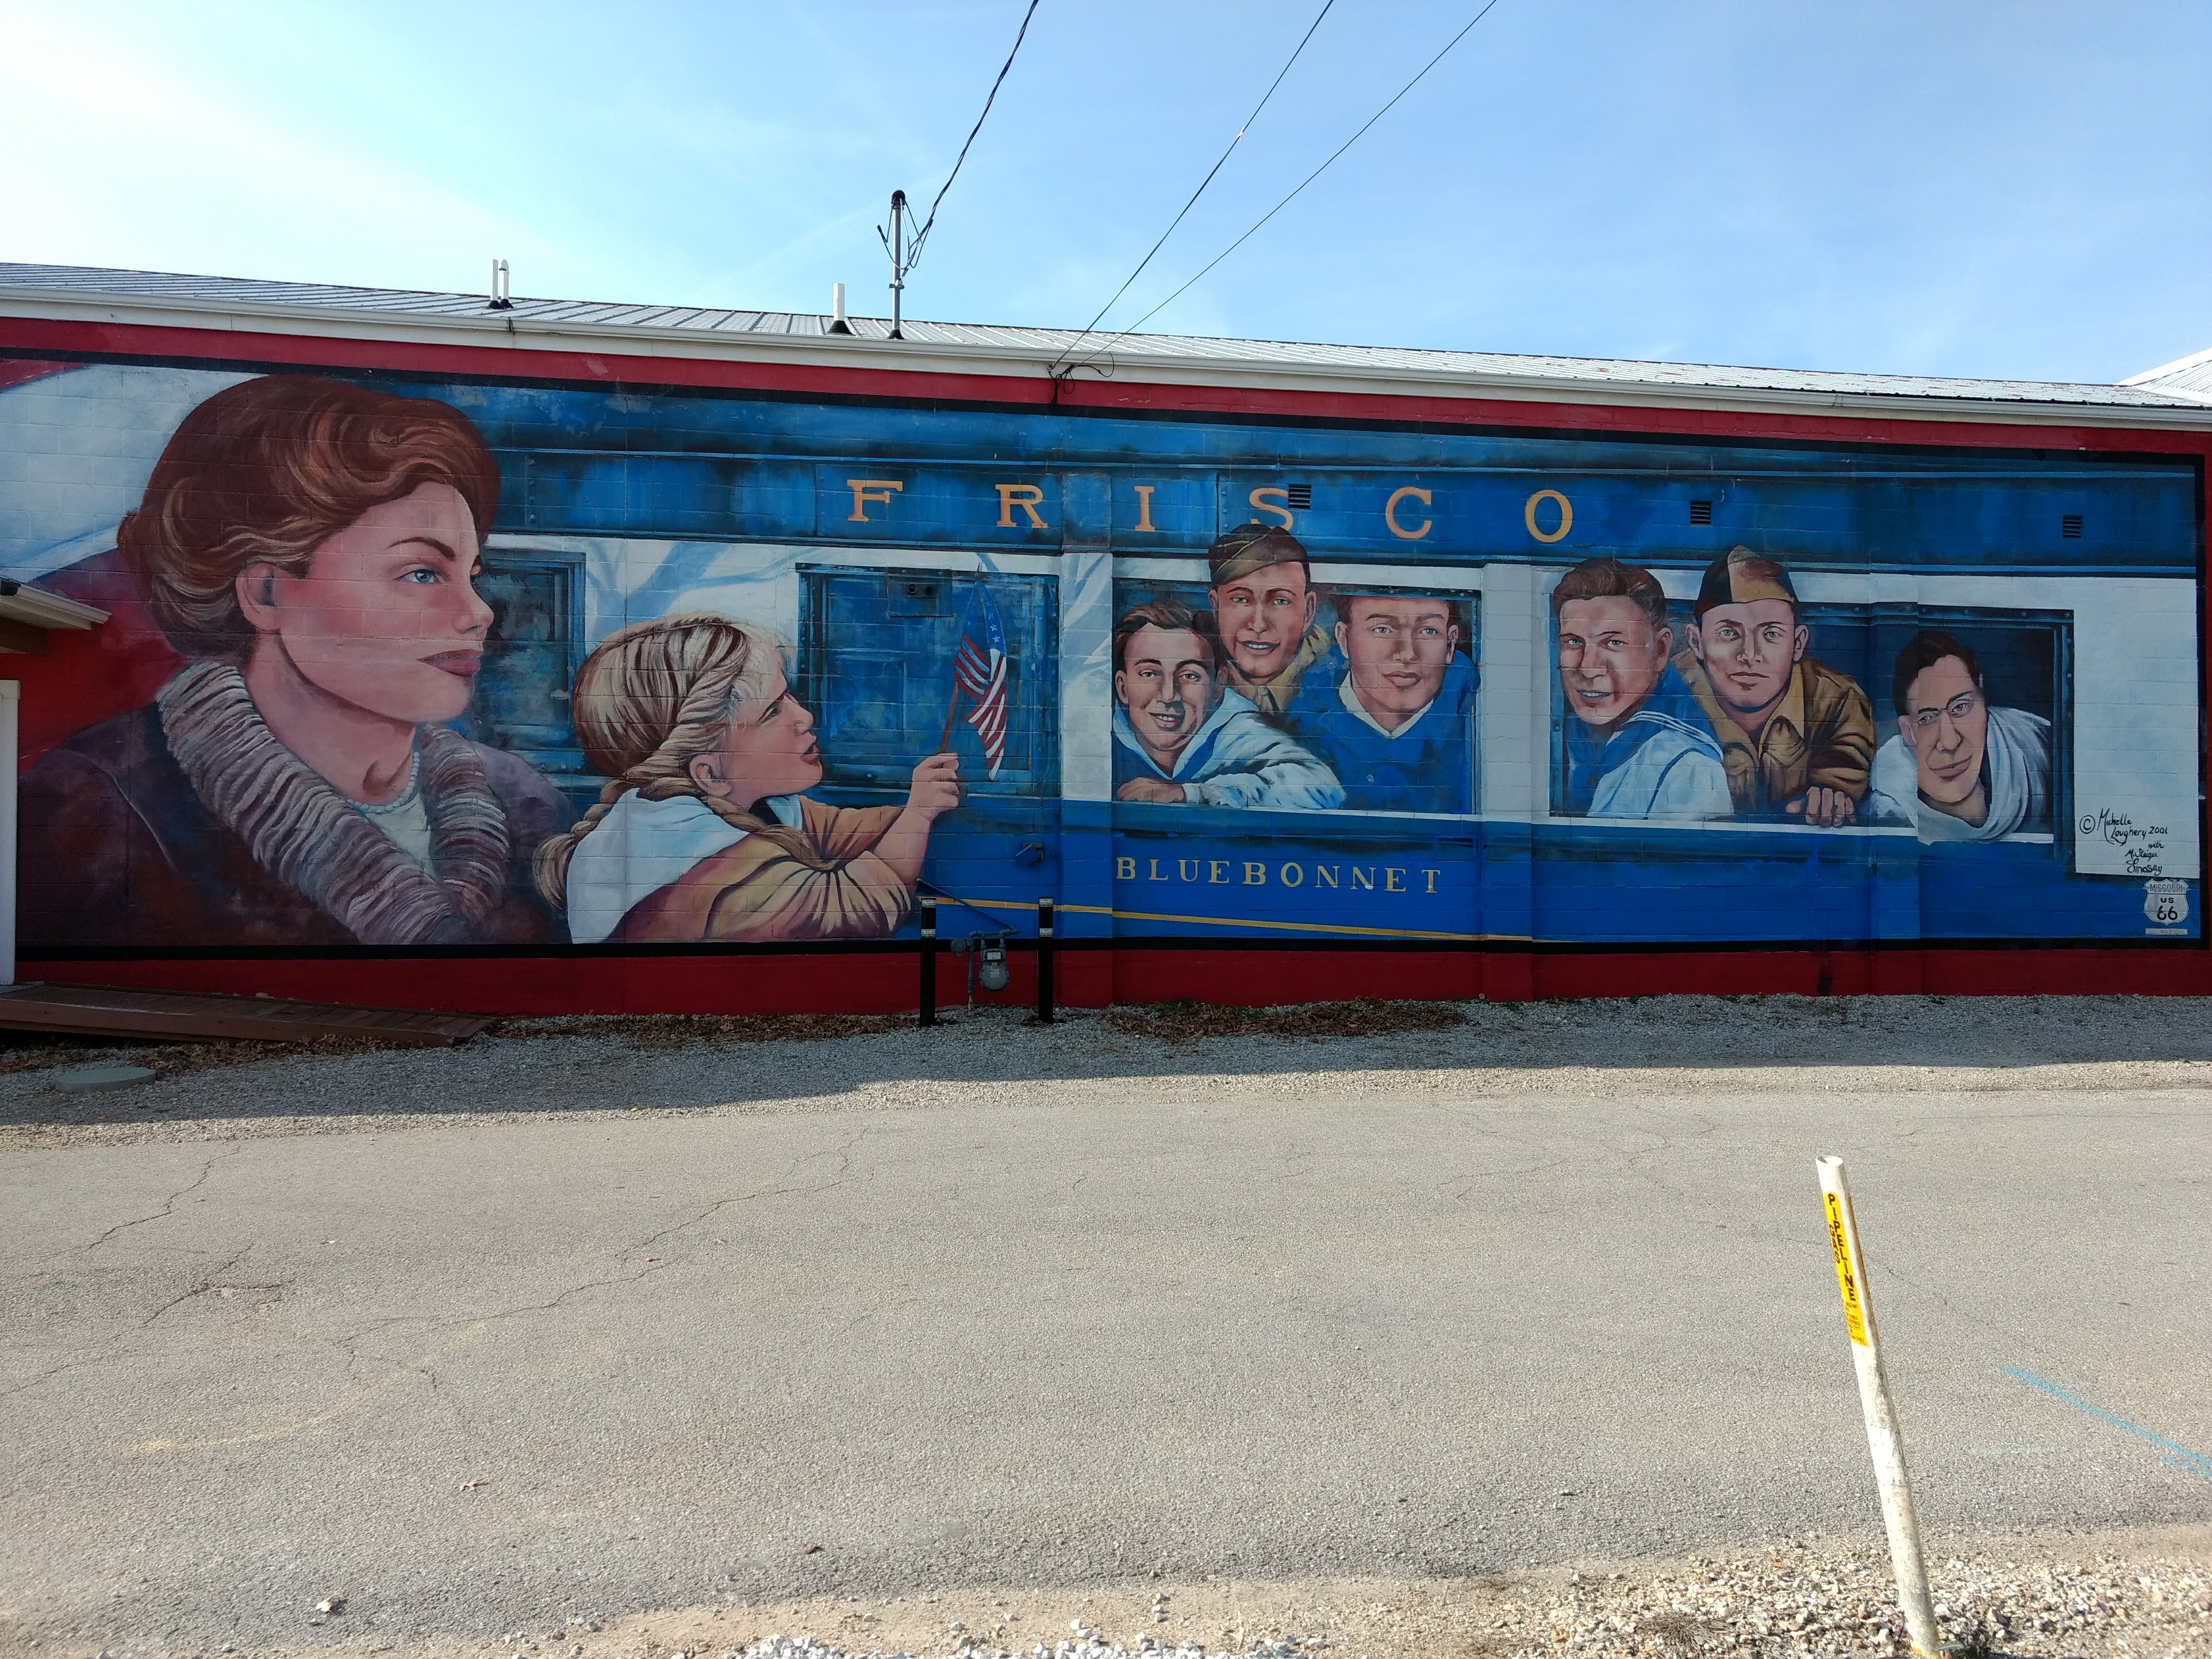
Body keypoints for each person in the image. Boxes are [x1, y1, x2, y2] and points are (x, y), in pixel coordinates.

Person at [18, 375, 570, 947]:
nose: (478, 612)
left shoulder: (525, 805)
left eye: (471, 576)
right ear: (267, 594)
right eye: (422, 574)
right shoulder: (101, 804)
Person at [537, 614, 962, 943]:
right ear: (709, 772)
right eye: (773, 711)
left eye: (788, 695)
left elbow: (845, 830)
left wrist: (917, 806)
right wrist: (918, 816)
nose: (804, 717)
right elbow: (858, 910)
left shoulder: (747, 807)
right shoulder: (707, 869)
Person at [1672, 547, 1874, 826]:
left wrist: (1831, 789)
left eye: (1771, 634)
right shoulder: (1666, 691)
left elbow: (1848, 754)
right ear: (1696, 642)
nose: (1749, 654)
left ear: (1798, 643)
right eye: (1729, 633)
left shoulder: (1838, 699)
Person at [1111, 596, 1342, 810]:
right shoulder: (1099, 733)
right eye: (1149, 674)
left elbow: (1322, 787)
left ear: (1218, 686)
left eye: (1190, 675)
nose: (1169, 695)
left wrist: (1192, 794)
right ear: (1122, 688)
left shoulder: (1239, 730)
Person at [1552, 557, 1731, 820]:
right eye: (1573, 642)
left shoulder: (1688, 771)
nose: (1588, 668)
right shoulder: (1559, 739)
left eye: (1614, 643)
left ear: (1660, 651)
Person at [1285, 589, 1477, 813]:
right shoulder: (1298, 729)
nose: (1407, 654)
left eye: (1428, 631)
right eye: (1382, 629)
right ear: (1344, 640)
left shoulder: (1477, 736)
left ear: (1450, 645)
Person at [1865, 630, 2052, 841]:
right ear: (1908, 732)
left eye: (1961, 707)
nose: (1950, 742)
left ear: (1983, 703)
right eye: (1926, 719)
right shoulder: (1888, 808)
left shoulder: (2037, 745)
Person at [1205, 523, 1333, 716]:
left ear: (1308, 611)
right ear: (1216, 607)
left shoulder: (1338, 681)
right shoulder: (1188, 680)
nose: (1258, 625)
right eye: (1240, 600)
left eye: (1281, 601)